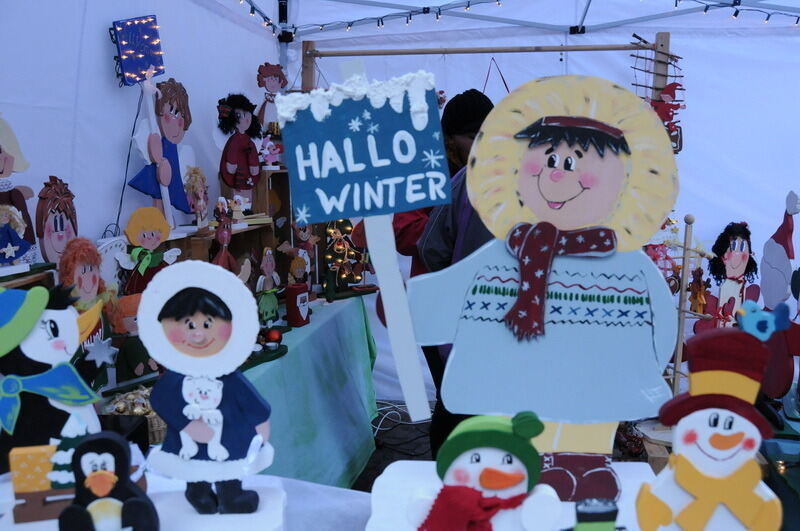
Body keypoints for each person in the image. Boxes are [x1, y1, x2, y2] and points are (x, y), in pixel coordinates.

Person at [392, 89, 493, 456]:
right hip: (438, 304)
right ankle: (445, 477)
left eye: (488, 133)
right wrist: (455, 234)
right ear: (449, 139)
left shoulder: (501, 172)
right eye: (471, 136)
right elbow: (402, 230)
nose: (481, 143)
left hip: (486, 304)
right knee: (453, 400)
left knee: (483, 398)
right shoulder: (425, 170)